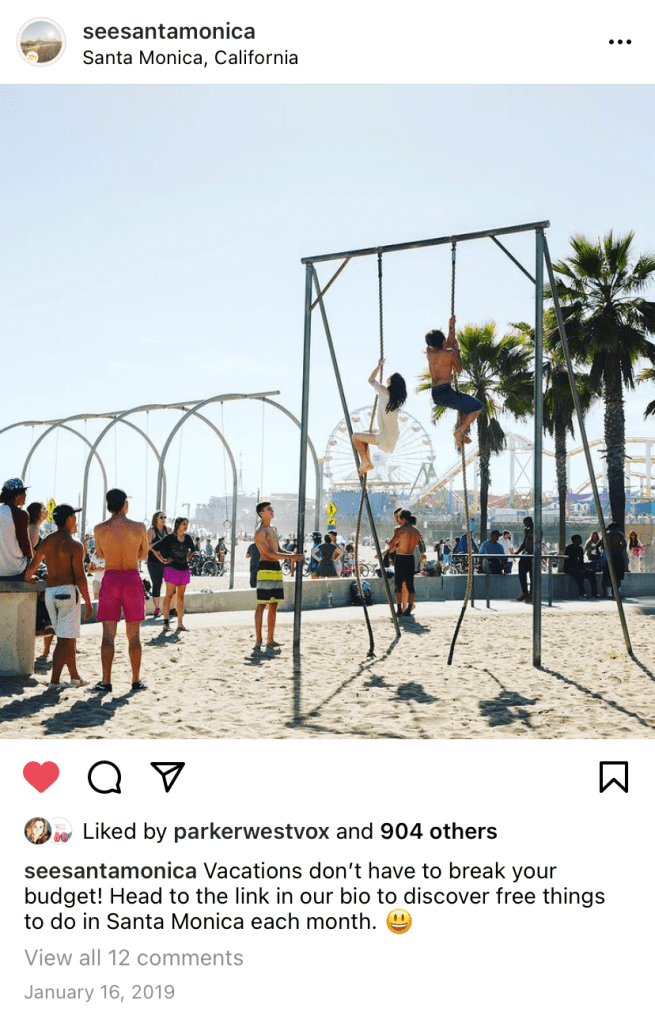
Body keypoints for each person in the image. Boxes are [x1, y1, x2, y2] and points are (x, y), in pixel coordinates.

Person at [25, 504, 93, 687]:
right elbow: (80, 577)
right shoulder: (75, 545)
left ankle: (75, 677)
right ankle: (54, 681)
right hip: (67, 592)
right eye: (75, 517)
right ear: (69, 519)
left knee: (67, 637)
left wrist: (29, 578)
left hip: (51, 593)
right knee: (64, 639)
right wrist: (88, 602)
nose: (76, 521)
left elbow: (33, 566)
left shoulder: (48, 541)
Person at [91, 489, 149, 694]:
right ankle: (136, 680)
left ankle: (106, 681)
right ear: (125, 504)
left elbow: (101, 554)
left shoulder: (100, 529)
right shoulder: (139, 527)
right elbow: (144, 555)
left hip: (111, 578)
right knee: (134, 635)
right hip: (132, 578)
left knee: (108, 634)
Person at [425, 317, 483, 449]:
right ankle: (459, 432)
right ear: (442, 342)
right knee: (477, 407)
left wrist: (451, 328)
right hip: (446, 391)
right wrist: (457, 351)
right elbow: (458, 368)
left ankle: (461, 433)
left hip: (436, 394)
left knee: (464, 407)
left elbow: (444, 345)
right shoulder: (450, 353)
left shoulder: (430, 352)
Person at [253, 501, 303, 650]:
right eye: (269, 509)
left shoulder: (273, 529)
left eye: (272, 508)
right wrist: (290, 557)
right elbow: (269, 553)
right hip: (265, 568)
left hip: (275, 568)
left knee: (274, 604)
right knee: (262, 604)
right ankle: (258, 640)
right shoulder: (260, 532)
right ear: (262, 513)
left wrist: (292, 555)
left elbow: (278, 549)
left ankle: (270, 639)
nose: (272, 510)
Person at [351, 360, 407, 475]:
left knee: (355, 437)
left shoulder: (384, 391)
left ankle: (366, 462)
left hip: (385, 436)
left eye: (389, 378)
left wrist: (378, 366)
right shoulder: (395, 400)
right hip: (391, 435)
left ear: (391, 381)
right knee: (365, 434)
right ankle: (366, 462)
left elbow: (371, 380)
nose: (387, 378)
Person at [153, 517, 195, 633]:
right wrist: (163, 560)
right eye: (184, 524)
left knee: (181, 597)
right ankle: (166, 623)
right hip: (171, 569)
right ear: (177, 525)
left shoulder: (188, 538)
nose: (186, 526)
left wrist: (188, 558)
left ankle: (180, 624)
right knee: (169, 595)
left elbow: (193, 550)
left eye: (187, 524)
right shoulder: (170, 538)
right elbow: (154, 548)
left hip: (184, 570)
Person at [389, 509, 422, 616]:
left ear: (403, 519)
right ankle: (408, 609)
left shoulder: (400, 530)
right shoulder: (416, 531)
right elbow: (419, 544)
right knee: (410, 585)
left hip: (400, 557)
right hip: (410, 557)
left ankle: (399, 609)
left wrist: (391, 544)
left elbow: (391, 543)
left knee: (398, 585)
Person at [0, 477, 32, 580]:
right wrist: (31, 562)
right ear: (17, 495)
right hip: (15, 568)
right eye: (24, 493)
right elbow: (24, 543)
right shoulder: (20, 514)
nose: (25, 496)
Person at [146, 511, 171, 618]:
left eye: (165, 517)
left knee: (171, 583)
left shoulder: (168, 530)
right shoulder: (151, 531)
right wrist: (160, 543)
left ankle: (171, 608)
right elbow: (148, 546)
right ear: (156, 518)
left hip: (167, 561)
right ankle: (157, 609)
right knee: (157, 584)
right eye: (161, 517)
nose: (163, 519)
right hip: (154, 562)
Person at [562, 533, 599, 599]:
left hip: (579, 568)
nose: (581, 541)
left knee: (591, 574)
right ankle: (582, 594)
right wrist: (579, 568)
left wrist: (584, 568)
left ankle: (594, 593)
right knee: (579, 575)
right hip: (570, 568)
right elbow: (569, 561)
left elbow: (581, 560)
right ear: (574, 540)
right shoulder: (569, 548)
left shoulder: (580, 549)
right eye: (579, 539)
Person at [602, 523, 627, 599]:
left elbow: (600, 544)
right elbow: (624, 544)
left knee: (608, 575)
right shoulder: (620, 534)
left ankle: (609, 594)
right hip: (618, 556)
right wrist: (620, 549)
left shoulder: (606, 535)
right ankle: (617, 594)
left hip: (609, 557)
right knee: (618, 576)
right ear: (616, 527)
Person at [515, 516, 534, 603]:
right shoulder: (526, 530)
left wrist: (528, 533)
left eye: (525, 523)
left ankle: (531, 594)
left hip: (533, 555)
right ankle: (525, 592)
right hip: (525, 554)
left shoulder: (536, 530)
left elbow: (534, 540)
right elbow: (524, 542)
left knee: (532, 576)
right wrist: (518, 551)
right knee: (522, 574)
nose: (524, 525)